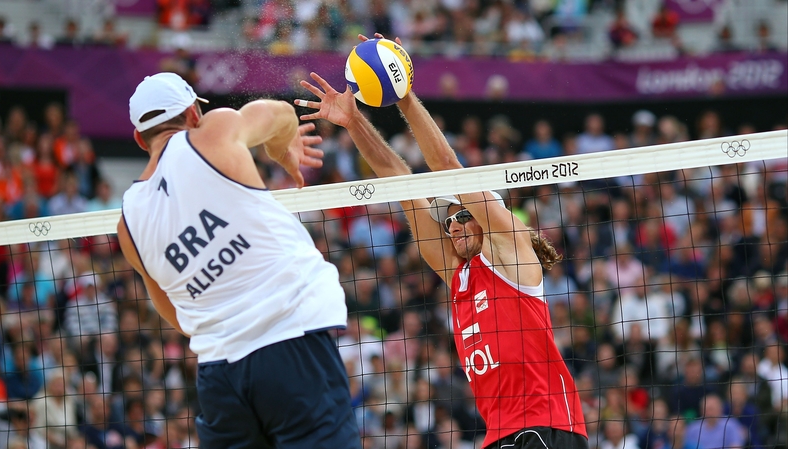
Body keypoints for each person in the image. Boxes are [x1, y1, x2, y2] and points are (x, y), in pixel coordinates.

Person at [297, 34, 587, 449]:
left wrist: (404, 96)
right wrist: (354, 122)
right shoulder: (457, 274)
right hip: (499, 435)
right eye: (448, 220)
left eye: (463, 214)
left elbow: (447, 164)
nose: (454, 225)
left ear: (486, 216)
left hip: (547, 426)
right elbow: (398, 180)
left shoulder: (510, 250)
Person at [116, 72, 359, 448]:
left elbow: (175, 313)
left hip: (219, 377)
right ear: (194, 113)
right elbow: (283, 115)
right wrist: (282, 149)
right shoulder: (213, 132)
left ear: (138, 138)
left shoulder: (128, 224)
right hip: (290, 344)